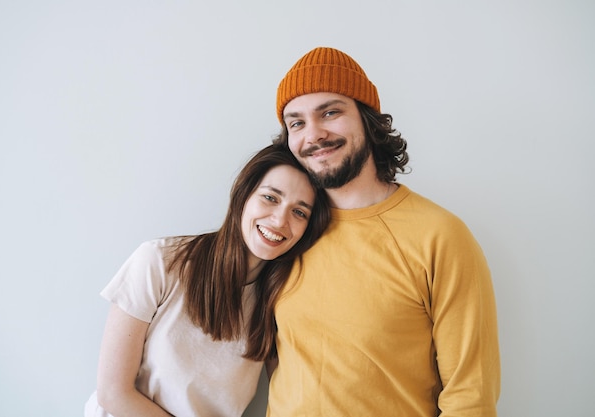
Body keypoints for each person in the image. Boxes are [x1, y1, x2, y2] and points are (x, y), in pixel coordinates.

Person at [267, 47, 501, 416]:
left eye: (330, 112)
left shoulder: (440, 236)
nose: (313, 134)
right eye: (296, 122)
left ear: (367, 119)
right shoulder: (286, 231)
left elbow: (470, 396)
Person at [84, 143, 330, 417]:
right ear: (243, 195)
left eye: (299, 212)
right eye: (270, 198)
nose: (280, 219)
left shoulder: (279, 303)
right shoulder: (160, 261)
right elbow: (113, 393)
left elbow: (293, 397)